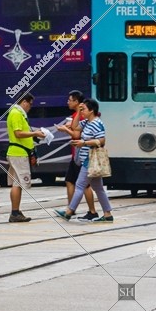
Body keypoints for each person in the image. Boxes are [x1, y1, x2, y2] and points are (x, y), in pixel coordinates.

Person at [55, 99, 114, 223]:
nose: (82, 112)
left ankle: (69, 211)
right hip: (87, 159)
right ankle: (107, 214)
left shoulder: (97, 123)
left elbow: (102, 141)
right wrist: (78, 110)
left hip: (90, 159)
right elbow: (75, 127)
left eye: (84, 110)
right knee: (98, 188)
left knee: (79, 185)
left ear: (92, 110)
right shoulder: (87, 122)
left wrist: (85, 143)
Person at [55, 90, 99, 220]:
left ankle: (91, 211)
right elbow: (75, 129)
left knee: (85, 185)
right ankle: (71, 209)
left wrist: (65, 129)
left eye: (70, 100)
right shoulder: (76, 114)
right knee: (70, 180)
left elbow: (76, 135)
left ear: (76, 102)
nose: (67, 102)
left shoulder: (82, 115)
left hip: (82, 154)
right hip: (77, 154)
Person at [5, 93, 46, 222]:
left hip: (18, 152)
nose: (30, 107)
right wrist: (35, 133)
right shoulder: (16, 113)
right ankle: (15, 212)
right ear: (24, 102)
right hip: (18, 153)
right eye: (30, 104)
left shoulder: (18, 113)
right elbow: (18, 133)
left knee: (17, 183)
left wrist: (34, 134)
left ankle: (16, 211)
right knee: (18, 183)